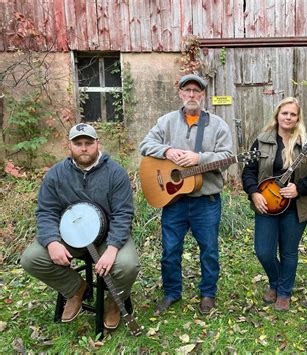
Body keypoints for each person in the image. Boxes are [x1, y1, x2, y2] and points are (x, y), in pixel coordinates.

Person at [21, 123, 140, 330]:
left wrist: (112, 249)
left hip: (107, 237)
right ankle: (75, 288)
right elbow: (46, 212)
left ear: (97, 144)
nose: (83, 148)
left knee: (128, 264)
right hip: (70, 237)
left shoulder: (115, 173)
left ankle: (114, 299)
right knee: (31, 259)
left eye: (88, 143)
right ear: (70, 146)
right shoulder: (56, 174)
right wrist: (51, 242)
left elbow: (123, 214)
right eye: (78, 143)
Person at [139, 74, 233, 315]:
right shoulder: (166, 122)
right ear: (180, 93)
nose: (192, 95)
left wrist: (199, 158)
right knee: (170, 250)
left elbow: (227, 158)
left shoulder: (218, 125)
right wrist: (167, 150)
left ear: (202, 95)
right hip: (174, 199)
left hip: (206, 201)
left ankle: (208, 294)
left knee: (209, 250)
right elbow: (145, 145)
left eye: (196, 91)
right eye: (187, 90)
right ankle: (172, 292)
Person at [242, 97, 307, 311]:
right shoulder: (262, 140)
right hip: (267, 204)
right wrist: (254, 193)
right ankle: (276, 282)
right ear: (277, 115)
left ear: (298, 118)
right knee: (264, 251)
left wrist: (299, 188)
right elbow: (249, 171)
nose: (288, 117)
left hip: (295, 206)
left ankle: (284, 292)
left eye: (293, 114)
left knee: (288, 251)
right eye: (284, 113)